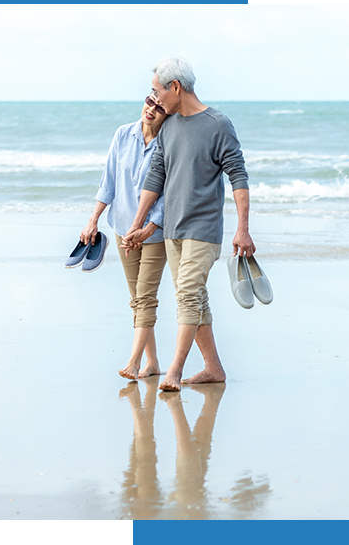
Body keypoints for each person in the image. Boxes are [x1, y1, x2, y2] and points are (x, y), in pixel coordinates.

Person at [123, 56, 255, 392]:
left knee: (187, 296)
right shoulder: (168, 127)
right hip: (173, 230)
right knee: (196, 299)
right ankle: (213, 368)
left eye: (157, 90)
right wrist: (138, 224)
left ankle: (174, 372)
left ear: (176, 87)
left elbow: (238, 175)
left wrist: (243, 228)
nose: (154, 97)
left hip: (203, 230)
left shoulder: (218, 124)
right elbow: (156, 176)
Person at [80, 95, 170, 380]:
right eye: (150, 102)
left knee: (145, 297)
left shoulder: (170, 143)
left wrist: (149, 226)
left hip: (155, 233)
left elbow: (169, 194)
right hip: (122, 228)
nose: (151, 110)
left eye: (159, 108)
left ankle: (133, 362)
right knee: (137, 298)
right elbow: (109, 181)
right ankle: (152, 363)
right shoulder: (123, 134)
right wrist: (93, 219)